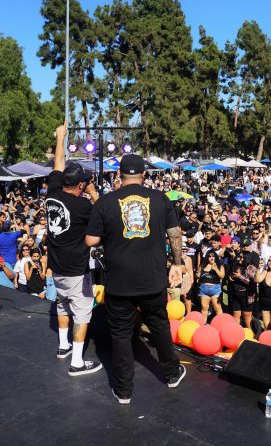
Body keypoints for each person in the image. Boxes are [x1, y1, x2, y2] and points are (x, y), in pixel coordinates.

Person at [85, 153, 186, 404]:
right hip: (152, 278)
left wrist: (109, 234)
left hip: (119, 281)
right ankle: (172, 374)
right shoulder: (160, 199)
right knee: (159, 326)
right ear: (144, 175)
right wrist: (177, 263)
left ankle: (123, 390)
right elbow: (175, 232)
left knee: (120, 334)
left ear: (119, 175)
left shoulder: (105, 202)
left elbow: (91, 240)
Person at [46, 123, 102, 377]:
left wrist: (61, 137)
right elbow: (106, 213)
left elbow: (57, 164)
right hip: (77, 268)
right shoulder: (83, 207)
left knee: (62, 305)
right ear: (80, 185)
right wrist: (93, 194)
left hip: (56, 265)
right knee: (81, 312)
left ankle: (63, 346)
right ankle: (77, 362)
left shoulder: (52, 194)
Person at [198, 250, 225, 322]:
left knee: (217, 307)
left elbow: (222, 276)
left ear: (216, 257)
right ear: (207, 258)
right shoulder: (202, 266)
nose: (211, 258)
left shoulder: (220, 266)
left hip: (215, 289)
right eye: (209, 256)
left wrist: (216, 269)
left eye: (213, 256)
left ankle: (221, 324)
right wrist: (197, 275)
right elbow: (198, 275)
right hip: (204, 289)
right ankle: (203, 325)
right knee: (204, 308)